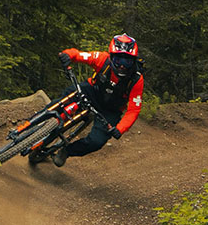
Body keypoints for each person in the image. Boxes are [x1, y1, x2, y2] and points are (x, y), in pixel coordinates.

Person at [37, 33, 144, 166]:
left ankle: (67, 151)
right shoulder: (103, 59)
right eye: (118, 61)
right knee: (62, 102)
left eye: (127, 62)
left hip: (110, 111)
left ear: (133, 61)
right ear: (111, 57)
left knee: (96, 142)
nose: (122, 66)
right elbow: (79, 55)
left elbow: (134, 110)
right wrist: (67, 55)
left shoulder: (136, 80)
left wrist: (120, 128)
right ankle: (35, 122)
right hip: (91, 92)